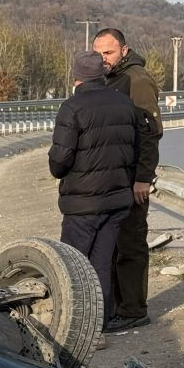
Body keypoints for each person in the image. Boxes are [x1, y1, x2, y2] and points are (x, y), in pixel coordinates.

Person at [47, 50, 139, 331]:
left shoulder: (72, 108)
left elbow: (60, 162)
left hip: (81, 203)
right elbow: (134, 152)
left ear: (75, 77)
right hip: (115, 201)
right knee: (101, 264)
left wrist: (57, 168)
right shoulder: (125, 104)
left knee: (74, 265)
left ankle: (76, 327)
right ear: (102, 74)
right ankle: (99, 325)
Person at [92, 28, 161, 331]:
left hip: (134, 178)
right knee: (115, 245)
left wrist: (143, 179)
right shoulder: (110, 78)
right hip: (116, 178)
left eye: (108, 53)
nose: (102, 59)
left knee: (131, 243)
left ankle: (134, 311)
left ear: (124, 50)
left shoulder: (137, 80)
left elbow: (150, 133)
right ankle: (121, 307)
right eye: (98, 53)